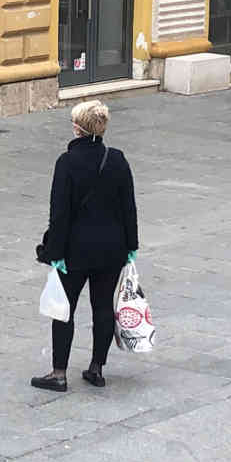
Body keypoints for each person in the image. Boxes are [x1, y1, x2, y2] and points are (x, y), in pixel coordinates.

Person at [31, 100, 138, 392]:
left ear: (77, 128)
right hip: (112, 249)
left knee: (64, 309)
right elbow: (129, 206)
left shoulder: (67, 162)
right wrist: (131, 246)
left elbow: (60, 213)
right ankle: (96, 368)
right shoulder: (117, 159)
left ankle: (59, 373)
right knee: (103, 307)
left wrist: (53, 253)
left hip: (75, 250)